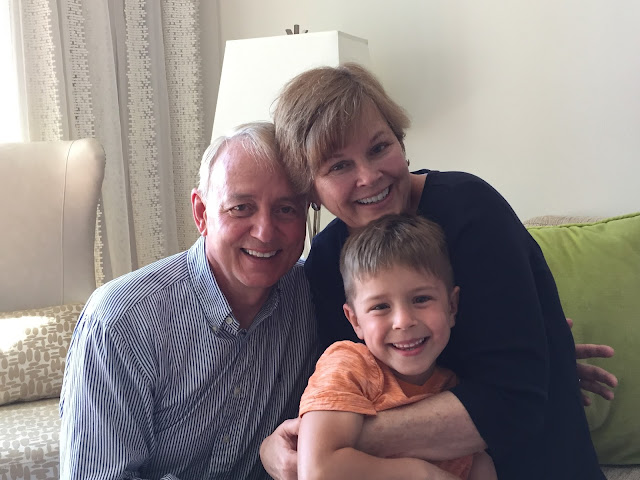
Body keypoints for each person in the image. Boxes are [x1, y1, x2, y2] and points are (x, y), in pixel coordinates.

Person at [261, 63, 618, 479]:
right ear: (310, 190)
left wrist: (325, 445)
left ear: (401, 142)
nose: (369, 177)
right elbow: (353, 390)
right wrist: (281, 445)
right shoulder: (326, 261)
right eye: (338, 166)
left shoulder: (470, 211)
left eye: (379, 148)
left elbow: (514, 404)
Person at [59, 122, 319, 479]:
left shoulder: (314, 295)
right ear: (201, 214)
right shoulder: (121, 322)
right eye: (241, 208)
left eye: (286, 209)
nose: (264, 232)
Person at [297, 214, 496, 480]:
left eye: (421, 299)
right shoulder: (348, 366)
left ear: (451, 307)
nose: (403, 321)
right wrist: (422, 474)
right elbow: (319, 470)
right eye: (380, 306)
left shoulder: (453, 387)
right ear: (355, 321)